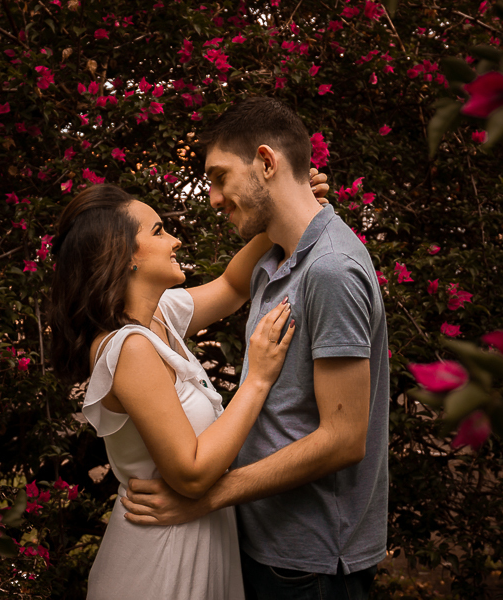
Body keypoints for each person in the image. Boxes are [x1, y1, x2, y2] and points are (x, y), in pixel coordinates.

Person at [123, 97, 391, 600]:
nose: (213, 197)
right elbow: (230, 283)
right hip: (266, 543)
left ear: (266, 163)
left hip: (310, 563)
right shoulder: (276, 260)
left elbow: (344, 437)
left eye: (220, 176)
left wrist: (208, 499)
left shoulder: (330, 270)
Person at [49, 175, 328, 600]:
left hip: (195, 542)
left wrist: (281, 207)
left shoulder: (159, 315)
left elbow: (234, 286)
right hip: (161, 567)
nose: (175, 240)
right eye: (159, 231)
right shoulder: (130, 348)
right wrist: (258, 379)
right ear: (124, 256)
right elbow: (192, 474)